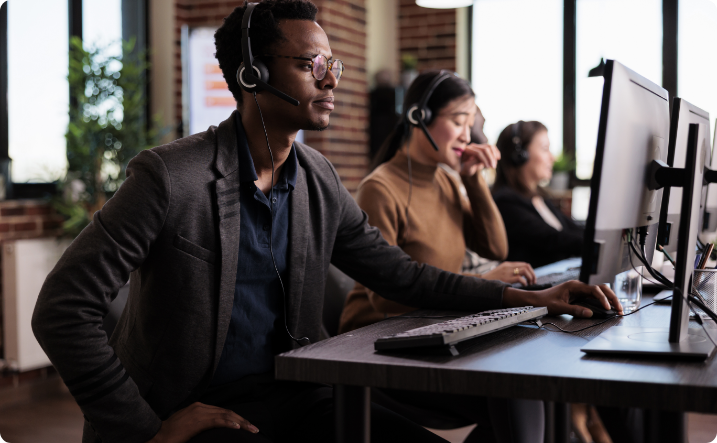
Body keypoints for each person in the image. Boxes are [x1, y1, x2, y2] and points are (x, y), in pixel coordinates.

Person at [31, 2, 621, 443]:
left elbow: (406, 276)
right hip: (198, 412)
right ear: (252, 76)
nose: (331, 77)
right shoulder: (169, 177)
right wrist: (144, 428)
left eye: (331, 62)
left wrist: (533, 295)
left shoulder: (316, 177)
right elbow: (62, 307)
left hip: (299, 393)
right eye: (311, 64)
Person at [339, 71, 536, 333]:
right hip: (371, 334)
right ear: (420, 117)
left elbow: (495, 249)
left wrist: (473, 179)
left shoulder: (448, 181)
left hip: (433, 324)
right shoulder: (380, 188)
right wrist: (482, 283)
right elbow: (383, 296)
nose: (467, 137)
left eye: (470, 125)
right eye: (458, 122)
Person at [492, 121, 584, 268]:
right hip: (536, 287)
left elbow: (571, 228)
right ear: (520, 155)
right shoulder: (505, 201)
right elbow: (553, 239)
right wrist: (598, 243)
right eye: (545, 149)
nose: (552, 158)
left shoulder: (539, 197)